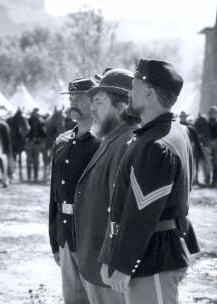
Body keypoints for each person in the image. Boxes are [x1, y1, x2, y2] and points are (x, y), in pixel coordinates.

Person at [99, 59, 200, 303]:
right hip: (159, 249)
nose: (130, 93)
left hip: (153, 255)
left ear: (150, 93)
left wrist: (122, 263)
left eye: (134, 86)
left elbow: (142, 213)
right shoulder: (176, 131)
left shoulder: (155, 145)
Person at [72, 69, 140, 304]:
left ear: (122, 107)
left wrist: (112, 260)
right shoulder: (111, 138)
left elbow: (121, 212)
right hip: (96, 263)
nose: (92, 109)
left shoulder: (125, 143)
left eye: (99, 102)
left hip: (108, 270)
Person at [49, 78, 101, 304]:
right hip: (66, 236)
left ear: (94, 103)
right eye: (71, 99)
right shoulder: (61, 142)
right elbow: (54, 198)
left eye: (79, 99)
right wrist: (55, 241)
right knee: (73, 300)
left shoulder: (103, 143)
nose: (72, 103)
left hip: (93, 238)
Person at [25, 108, 46, 181]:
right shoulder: (28, 121)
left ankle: (35, 178)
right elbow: (25, 132)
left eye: (37, 113)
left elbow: (44, 134)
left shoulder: (40, 122)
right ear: (33, 113)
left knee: (36, 161)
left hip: (37, 143)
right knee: (29, 160)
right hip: (29, 142)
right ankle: (29, 177)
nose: (36, 114)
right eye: (35, 113)